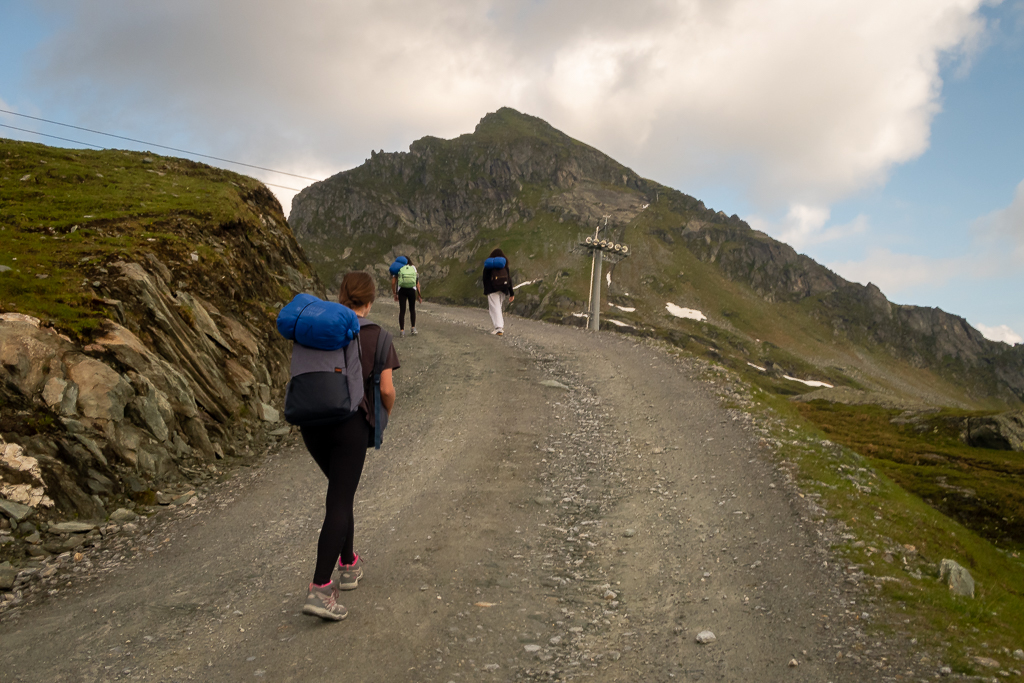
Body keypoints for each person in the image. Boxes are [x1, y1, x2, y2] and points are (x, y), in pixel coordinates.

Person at [301, 271, 400, 621]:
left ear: (341, 295)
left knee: (341, 491)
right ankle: (319, 589)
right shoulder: (378, 336)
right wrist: (382, 416)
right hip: (349, 425)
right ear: (371, 300)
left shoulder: (319, 328)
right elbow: (386, 390)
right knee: (340, 499)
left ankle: (348, 563)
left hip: (311, 423)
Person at [482, 248, 514, 336]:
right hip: (503, 289)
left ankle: (499, 328)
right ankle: (500, 327)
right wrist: (511, 293)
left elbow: (485, 278)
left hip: (492, 290)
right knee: (498, 307)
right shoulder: (504, 266)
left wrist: (486, 289)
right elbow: (509, 279)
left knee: (494, 308)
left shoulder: (489, 266)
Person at [391, 256, 422, 338]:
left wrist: (395, 293)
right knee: (412, 309)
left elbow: (393, 282)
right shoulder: (413, 268)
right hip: (412, 290)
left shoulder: (398, 267)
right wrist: (419, 294)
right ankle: (413, 328)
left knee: (402, 310)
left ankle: (402, 331)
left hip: (402, 291)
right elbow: (417, 282)